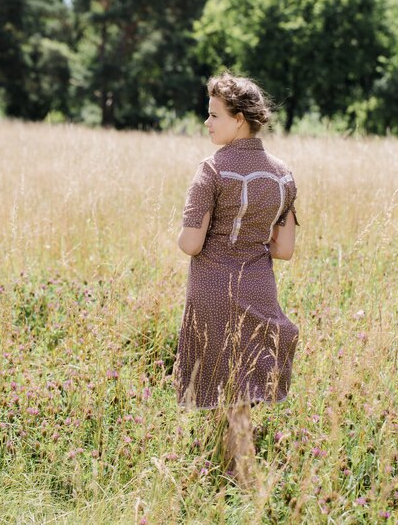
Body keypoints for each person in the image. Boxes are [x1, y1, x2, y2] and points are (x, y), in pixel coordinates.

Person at [172, 72, 300, 488]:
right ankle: (226, 472)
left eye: (213, 115)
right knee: (238, 390)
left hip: (214, 289)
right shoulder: (283, 176)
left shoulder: (211, 171)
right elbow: (283, 250)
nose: (206, 122)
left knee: (229, 394)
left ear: (240, 119)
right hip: (259, 287)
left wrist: (181, 233)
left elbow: (191, 243)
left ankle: (247, 482)